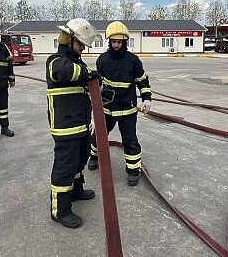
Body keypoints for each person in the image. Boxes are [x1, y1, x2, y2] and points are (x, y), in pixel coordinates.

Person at [46, 18, 100, 229]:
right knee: (65, 166)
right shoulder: (55, 61)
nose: (81, 50)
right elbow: (65, 72)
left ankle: (76, 190)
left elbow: (82, 82)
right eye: (80, 45)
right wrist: (88, 75)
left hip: (81, 125)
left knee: (80, 160)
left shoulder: (78, 62)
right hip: (65, 127)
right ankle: (60, 210)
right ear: (68, 40)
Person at [88, 21, 152, 186]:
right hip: (106, 109)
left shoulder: (133, 61)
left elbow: (142, 80)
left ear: (124, 42)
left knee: (130, 140)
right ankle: (93, 157)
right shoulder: (102, 60)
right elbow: (97, 84)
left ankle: (132, 171)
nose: (116, 45)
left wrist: (146, 99)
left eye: (119, 42)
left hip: (127, 110)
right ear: (109, 41)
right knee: (98, 136)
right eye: (113, 41)